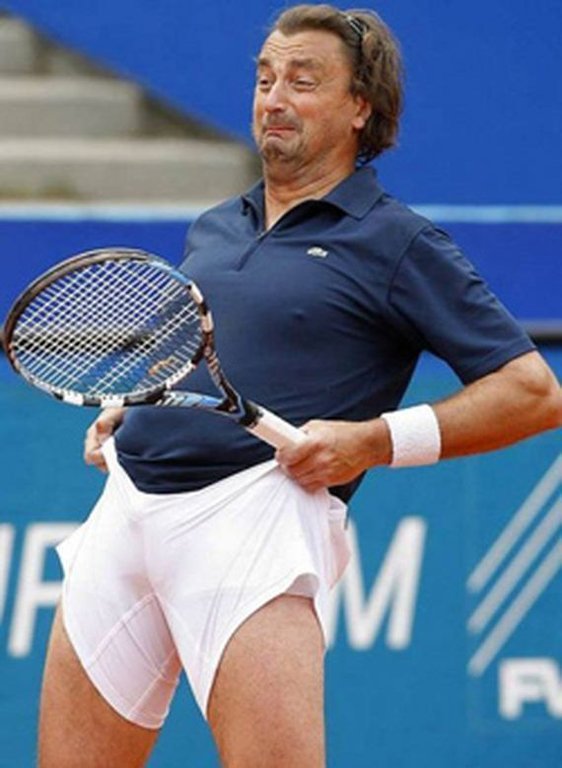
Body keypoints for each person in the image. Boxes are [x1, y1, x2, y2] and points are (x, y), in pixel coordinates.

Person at [38, 5, 562, 767]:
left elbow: (534, 392)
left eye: (302, 81)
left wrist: (374, 442)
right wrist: (133, 407)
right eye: (264, 79)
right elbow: (193, 357)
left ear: (361, 108)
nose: (274, 98)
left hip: (255, 522)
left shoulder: (398, 241)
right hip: (126, 515)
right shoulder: (216, 226)